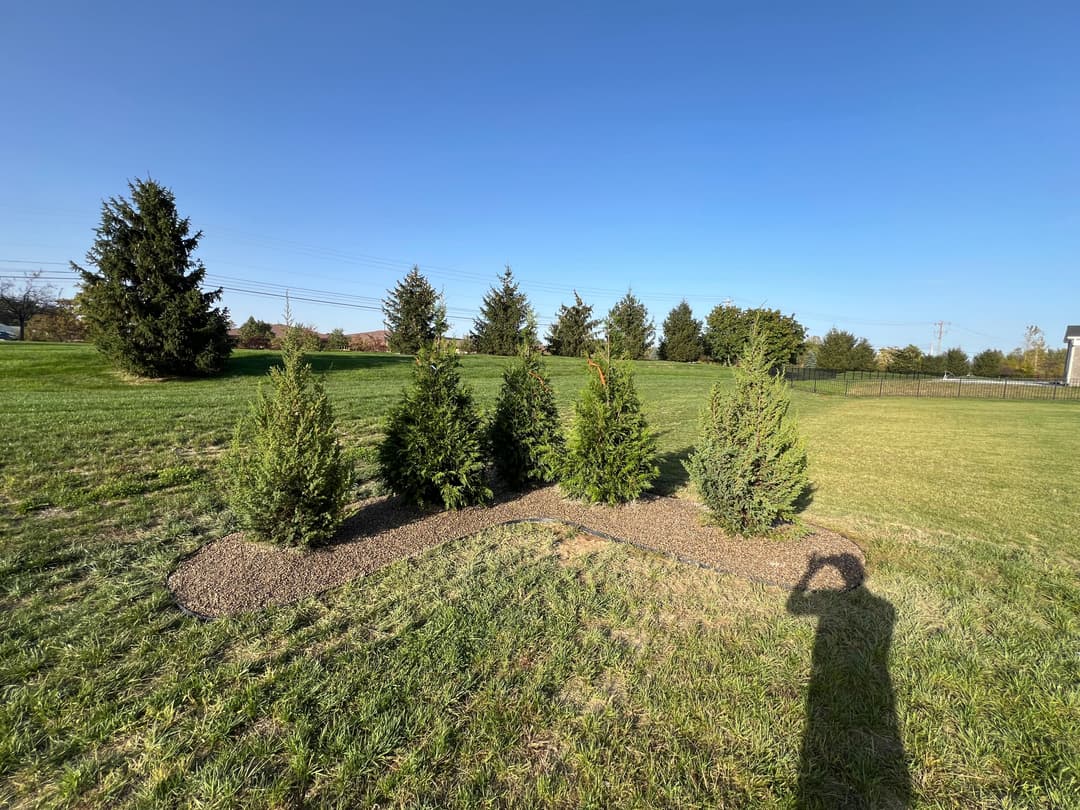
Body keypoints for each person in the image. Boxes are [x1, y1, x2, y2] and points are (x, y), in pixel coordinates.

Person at [786, 553, 912, 808]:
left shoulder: (840, 601)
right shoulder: (886, 608)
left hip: (827, 678)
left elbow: (793, 607)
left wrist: (811, 572)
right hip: (875, 689)